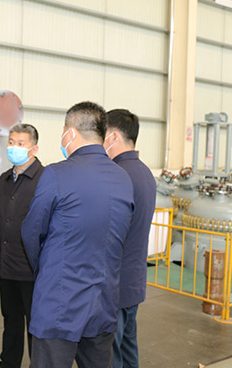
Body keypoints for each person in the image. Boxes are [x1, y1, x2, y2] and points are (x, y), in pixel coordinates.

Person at [21, 101, 134, 368]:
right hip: (103, 303)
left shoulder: (56, 174)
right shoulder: (122, 179)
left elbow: (31, 233)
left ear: (70, 133)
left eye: (63, 131)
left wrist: (46, 271)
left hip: (59, 305)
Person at [0, 124, 44, 368]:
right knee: (11, 318)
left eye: (20, 143)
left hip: (31, 268)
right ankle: (9, 362)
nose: (14, 147)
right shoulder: (5, 179)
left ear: (34, 148)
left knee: (35, 323)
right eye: (11, 142)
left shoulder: (44, 179)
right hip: (5, 265)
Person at [103, 109, 156, 368]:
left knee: (110, 354)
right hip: (133, 281)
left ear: (113, 136)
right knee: (127, 349)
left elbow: (108, 233)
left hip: (115, 283)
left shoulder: (117, 175)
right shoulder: (144, 172)